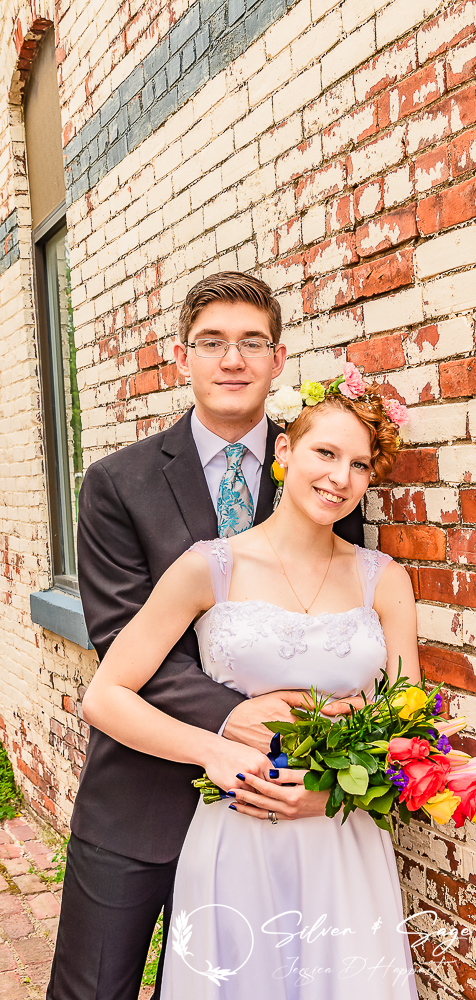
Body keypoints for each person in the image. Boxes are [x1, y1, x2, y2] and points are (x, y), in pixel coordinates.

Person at [47, 273, 364, 1000]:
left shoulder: (319, 474)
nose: (232, 360)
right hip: (141, 791)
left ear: (278, 360)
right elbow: (119, 635)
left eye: (251, 343)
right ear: (182, 357)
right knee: (92, 989)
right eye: (212, 343)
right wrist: (234, 719)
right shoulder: (116, 483)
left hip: (271, 806)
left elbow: (329, 617)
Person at [81, 382, 420, 999]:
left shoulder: (385, 582)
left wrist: (335, 796)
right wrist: (213, 750)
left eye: (360, 464)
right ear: (284, 451)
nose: (341, 477)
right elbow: (105, 698)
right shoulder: (210, 566)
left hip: (342, 844)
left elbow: (410, 730)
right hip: (236, 833)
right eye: (325, 454)